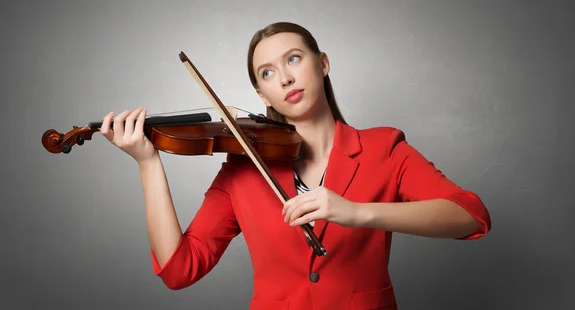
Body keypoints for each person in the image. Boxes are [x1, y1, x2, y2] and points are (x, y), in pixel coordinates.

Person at [99, 22, 491, 310]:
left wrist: (357, 212)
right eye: (268, 73)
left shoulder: (382, 147)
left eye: (294, 59)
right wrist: (148, 163)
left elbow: (470, 215)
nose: (285, 78)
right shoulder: (242, 167)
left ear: (322, 64)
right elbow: (179, 270)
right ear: (261, 92)